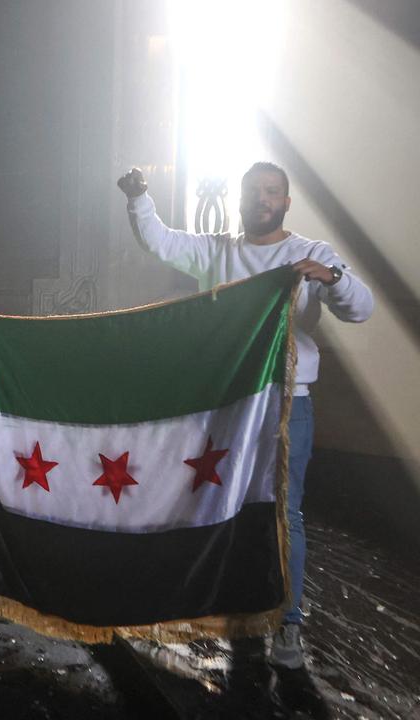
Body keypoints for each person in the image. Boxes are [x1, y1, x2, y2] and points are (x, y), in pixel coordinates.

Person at [117, 162, 374, 669]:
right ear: (239, 198)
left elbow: (360, 308)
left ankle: (288, 626)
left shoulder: (310, 255)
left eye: (272, 192)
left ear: (285, 201)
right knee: (226, 507)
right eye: (254, 191)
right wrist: (139, 198)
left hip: (286, 404)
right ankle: (238, 613)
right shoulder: (219, 251)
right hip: (230, 406)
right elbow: (161, 242)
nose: (263, 198)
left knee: (285, 514)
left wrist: (334, 277)